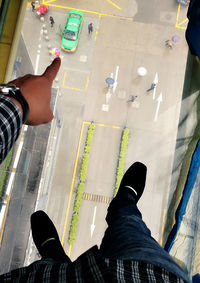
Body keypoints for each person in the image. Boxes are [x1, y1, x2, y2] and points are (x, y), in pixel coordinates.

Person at [0, 59, 190, 282]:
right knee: (128, 226)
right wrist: (19, 103)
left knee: (125, 232)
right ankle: (124, 204)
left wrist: (20, 103)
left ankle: (54, 256)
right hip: (150, 275)